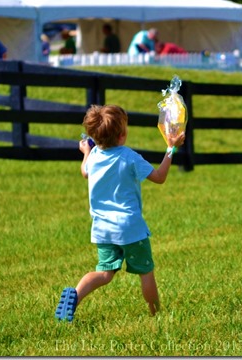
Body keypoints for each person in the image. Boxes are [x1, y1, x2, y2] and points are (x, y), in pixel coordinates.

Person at [55, 104, 186, 322]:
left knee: (104, 273)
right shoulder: (129, 157)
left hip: (102, 228)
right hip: (129, 228)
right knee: (146, 272)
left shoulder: (94, 155)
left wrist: (86, 152)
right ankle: (156, 316)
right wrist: (171, 149)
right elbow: (159, 177)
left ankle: (75, 296)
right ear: (122, 135)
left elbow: (84, 172)